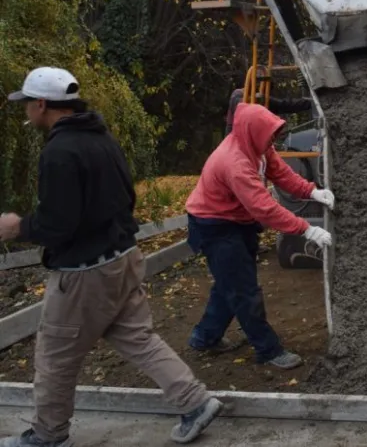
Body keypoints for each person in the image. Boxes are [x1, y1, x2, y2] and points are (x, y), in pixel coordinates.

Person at [0, 67, 221, 447]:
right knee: (139, 338)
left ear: (41, 104)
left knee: (54, 355)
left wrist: (17, 226)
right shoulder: (102, 138)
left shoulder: (59, 152)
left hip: (84, 274)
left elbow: (57, 224)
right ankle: (195, 402)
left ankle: (48, 436)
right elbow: (127, 198)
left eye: (27, 105)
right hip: (123, 257)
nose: (25, 112)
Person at [184, 101, 334, 370]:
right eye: (269, 136)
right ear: (253, 132)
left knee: (229, 283)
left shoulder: (259, 146)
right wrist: (306, 229)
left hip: (237, 220)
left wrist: (311, 191)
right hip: (214, 225)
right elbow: (264, 208)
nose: (272, 142)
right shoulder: (234, 162)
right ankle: (268, 349)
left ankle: (204, 337)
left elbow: (281, 174)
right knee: (243, 291)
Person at [225, 86, 312, 137]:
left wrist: (310, 103)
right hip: (236, 140)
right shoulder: (237, 96)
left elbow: (284, 105)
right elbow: (240, 105)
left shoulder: (262, 100)